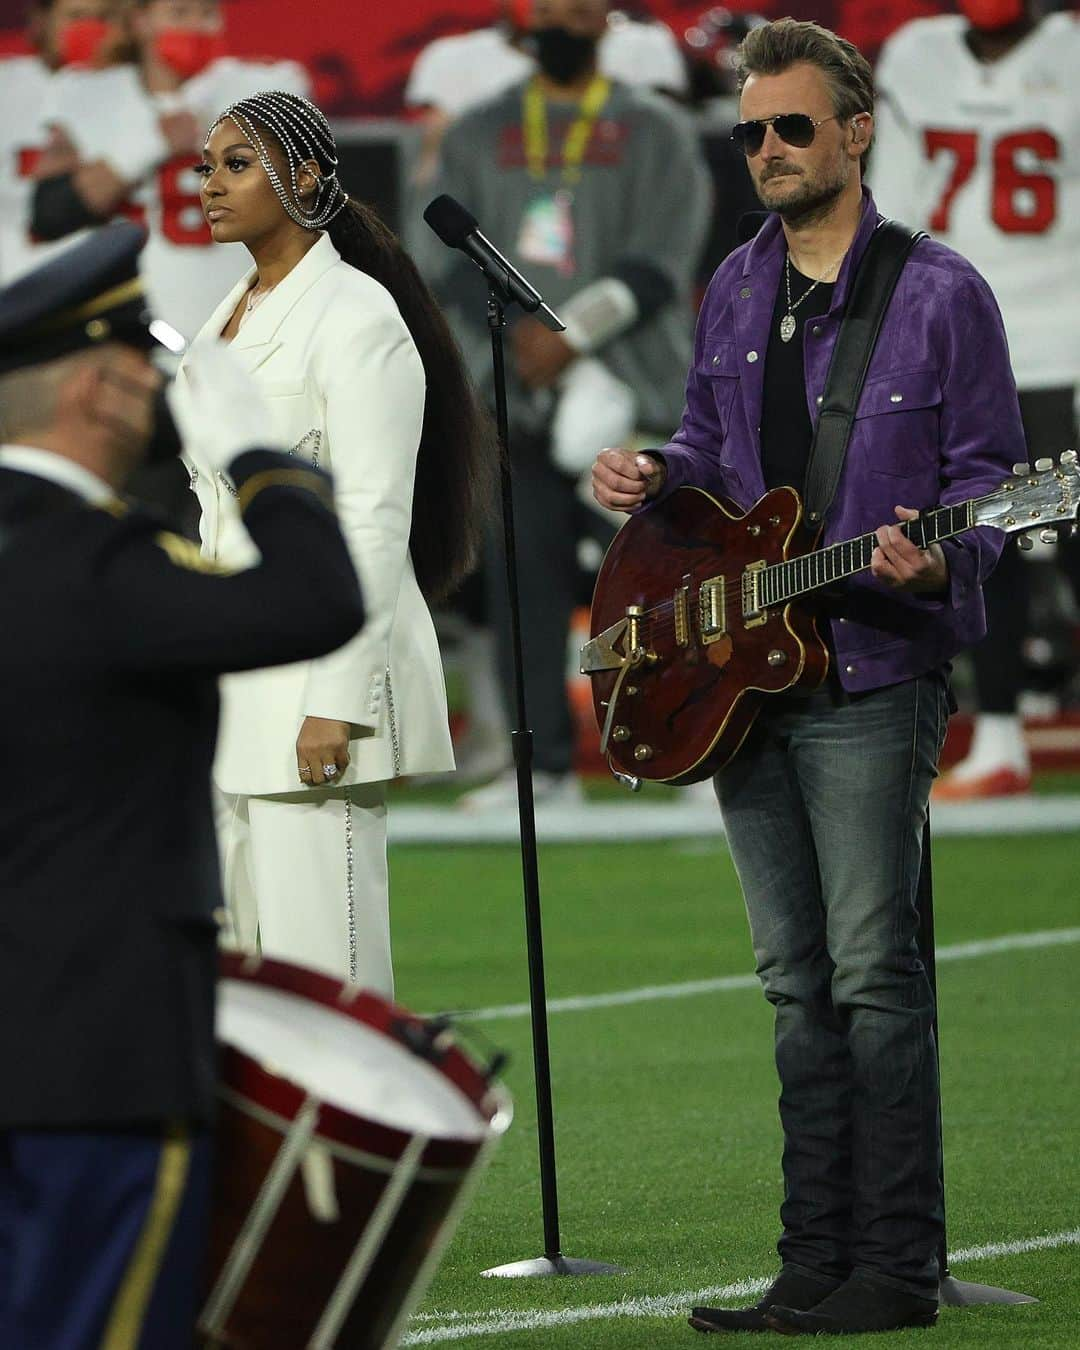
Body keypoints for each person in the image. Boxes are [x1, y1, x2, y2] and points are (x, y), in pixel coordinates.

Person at [592, 18, 1021, 1335]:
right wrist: (657, 478)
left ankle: (895, 1265)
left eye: (791, 127)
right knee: (793, 981)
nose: (768, 150)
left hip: (875, 667)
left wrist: (933, 568)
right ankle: (809, 1261)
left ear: (855, 129)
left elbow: (991, 491)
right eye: (751, 132)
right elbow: (712, 452)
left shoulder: (943, 292)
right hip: (741, 676)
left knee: (874, 979)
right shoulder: (732, 285)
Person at [0, 222, 365, 1348]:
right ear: (102, 392)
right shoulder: (101, 564)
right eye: (146, 374)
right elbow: (315, 601)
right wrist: (266, 461)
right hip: (95, 1060)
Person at [182, 91, 493, 991]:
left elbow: (372, 516)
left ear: (307, 175)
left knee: (331, 977)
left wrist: (340, 698)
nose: (212, 184)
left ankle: (350, 1138)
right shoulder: (227, 316)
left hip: (315, 685)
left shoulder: (355, 316)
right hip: (237, 676)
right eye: (208, 165)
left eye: (238, 164)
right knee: (243, 973)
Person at [425, 0, 710, 810]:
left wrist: (571, 336)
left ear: (604, 23)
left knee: (667, 577)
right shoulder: (478, 129)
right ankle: (543, 768)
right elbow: (442, 257)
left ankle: (697, 746)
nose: (562, 18)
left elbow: (664, 258)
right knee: (523, 584)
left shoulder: (653, 128)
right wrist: (526, 340)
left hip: (629, 394)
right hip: (509, 391)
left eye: (578, 7)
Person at [872, 0, 1080, 799]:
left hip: (1062, 334)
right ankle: (1000, 738)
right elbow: (895, 210)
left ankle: (1004, 737)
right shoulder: (919, 52)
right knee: (988, 533)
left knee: (1058, 535)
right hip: (964, 336)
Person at [31, 0, 309, 341]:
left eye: (207, 13)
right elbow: (50, 214)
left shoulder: (266, 86)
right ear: (141, 21)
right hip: (131, 327)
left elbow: (300, 198)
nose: (195, 25)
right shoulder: (88, 92)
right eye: (180, 13)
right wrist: (152, 143)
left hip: (242, 323)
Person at [404, 0, 688, 188]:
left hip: (613, 211)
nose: (560, 22)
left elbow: (667, 164)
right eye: (546, 11)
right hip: (502, 220)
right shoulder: (453, 58)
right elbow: (433, 174)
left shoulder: (641, 46)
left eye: (576, 13)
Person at [0, 0, 128, 284]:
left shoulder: (139, 90)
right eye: (76, 16)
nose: (91, 29)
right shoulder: (6, 87)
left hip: (113, 279)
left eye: (103, 18)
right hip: (15, 284)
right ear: (41, 21)